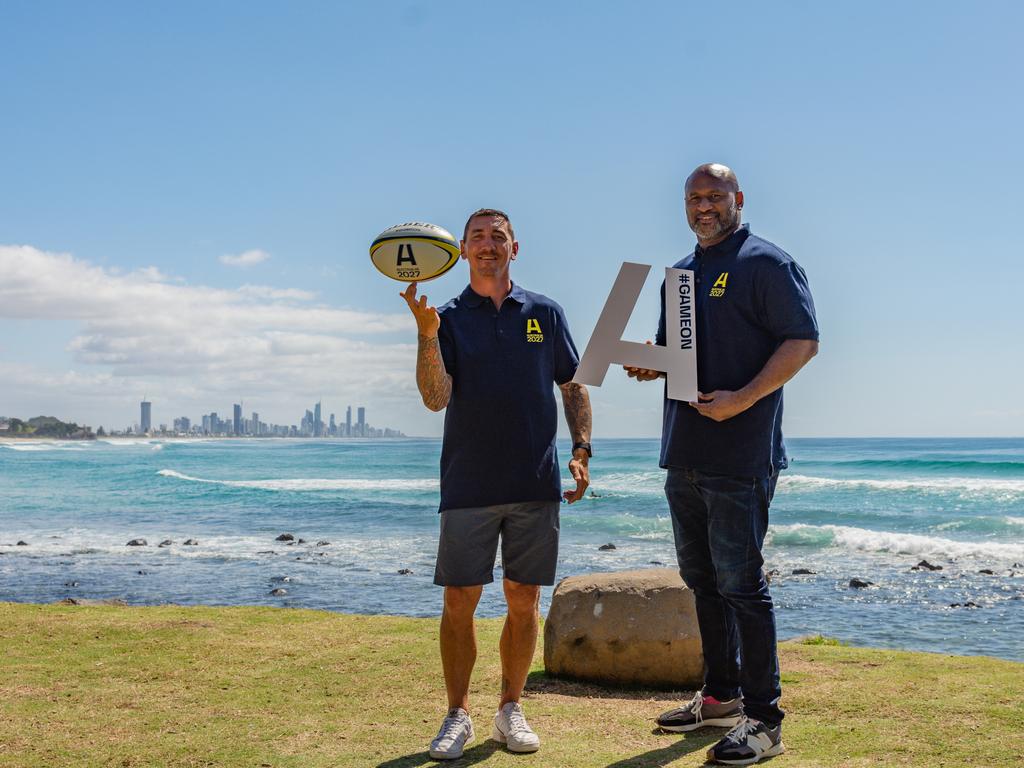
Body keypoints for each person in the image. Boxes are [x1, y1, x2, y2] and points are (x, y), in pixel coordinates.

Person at [626, 164, 819, 765]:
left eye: (714, 196)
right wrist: (648, 363)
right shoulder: (679, 274)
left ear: (737, 199)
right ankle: (721, 697)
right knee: (702, 582)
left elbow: (802, 340)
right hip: (683, 451)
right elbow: (677, 358)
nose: (703, 206)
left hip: (741, 455)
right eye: (694, 198)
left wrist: (743, 398)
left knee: (742, 585)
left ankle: (765, 720)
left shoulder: (766, 262)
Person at [401, 208, 593, 760]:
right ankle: (457, 714)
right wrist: (426, 336)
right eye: (478, 238)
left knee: (524, 599)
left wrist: (580, 449)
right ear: (461, 250)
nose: (488, 245)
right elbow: (436, 397)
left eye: (498, 236)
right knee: (460, 600)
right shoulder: (448, 317)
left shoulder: (546, 313)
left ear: (515, 247)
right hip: (468, 482)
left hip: (535, 480)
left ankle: (511, 708)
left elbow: (572, 383)